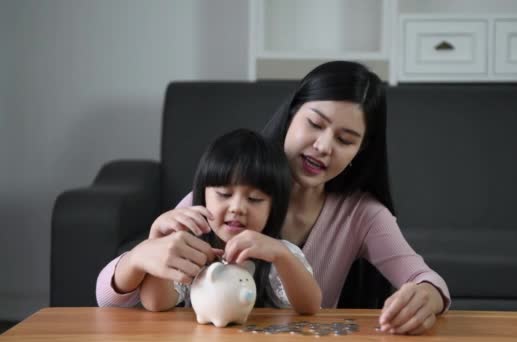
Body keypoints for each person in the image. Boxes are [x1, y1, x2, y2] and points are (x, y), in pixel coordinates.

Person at [96, 61, 450, 335]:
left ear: (360, 151)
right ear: (291, 116)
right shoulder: (227, 192)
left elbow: (425, 278)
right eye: (314, 123)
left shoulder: (362, 215)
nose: (324, 146)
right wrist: (140, 255)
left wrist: (428, 297)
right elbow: (113, 300)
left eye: (345, 139)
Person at [133, 129, 320, 314]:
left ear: (274, 208)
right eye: (224, 194)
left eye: (254, 199)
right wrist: (157, 240)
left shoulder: (280, 254)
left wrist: (282, 256)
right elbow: (155, 303)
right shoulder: (189, 250)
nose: (237, 207)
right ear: (203, 195)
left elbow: (310, 307)